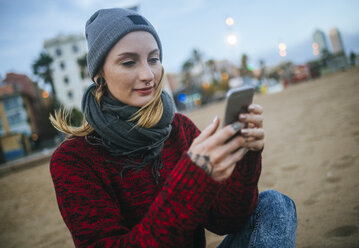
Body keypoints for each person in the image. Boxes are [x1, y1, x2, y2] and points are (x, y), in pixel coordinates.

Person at [50, 8, 297, 248]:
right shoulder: (73, 160)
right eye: (128, 62)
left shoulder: (178, 129)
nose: (149, 74)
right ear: (99, 75)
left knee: (274, 204)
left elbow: (226, 220)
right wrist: (192, 180)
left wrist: (246, 156)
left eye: (153, 59)